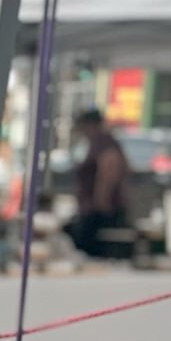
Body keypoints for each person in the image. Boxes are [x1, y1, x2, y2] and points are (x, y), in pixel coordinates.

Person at [64, 109, 130, 257]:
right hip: (94, 208)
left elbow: (109, 168)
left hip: (98, 210)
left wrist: (102, 199)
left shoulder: (104, 143)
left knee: (91, 249)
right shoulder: (99, 143)